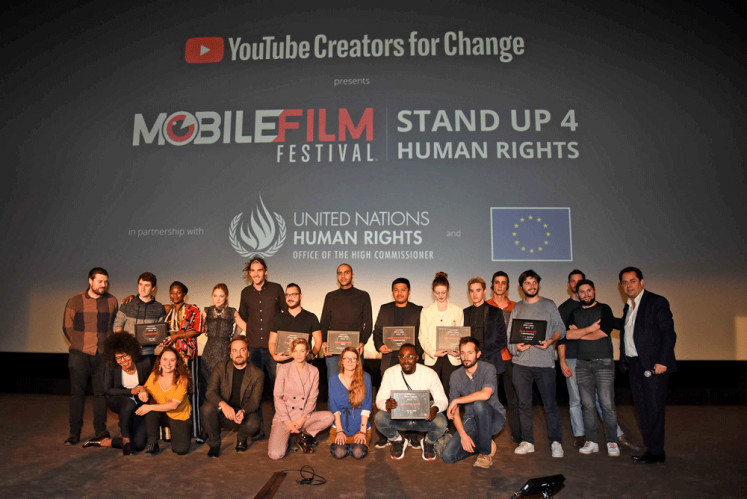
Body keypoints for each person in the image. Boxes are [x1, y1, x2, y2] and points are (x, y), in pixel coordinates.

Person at [618, 267, 676, 464]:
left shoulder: (656, 302)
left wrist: (662, 361)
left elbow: (669, 334)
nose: (628, 285)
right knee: (642, 409)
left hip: (654, 366)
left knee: (654, 408)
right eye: (625, 282)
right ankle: (651, 449)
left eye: (632, 281)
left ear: (642, 282)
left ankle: (657, 452)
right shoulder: (628, 306)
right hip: (634, 365)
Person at [508, 269, 566, 458]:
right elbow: (510, 339)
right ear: (521, 286)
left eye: (534, 283)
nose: (531, 286)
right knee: (524, 405)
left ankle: (556, 442)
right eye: (527, 283)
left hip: (544, 364)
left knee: (549, 405)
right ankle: (528, 441)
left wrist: (551, 340)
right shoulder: (517, 307)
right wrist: (517, 347)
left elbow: (560, 328)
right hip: (521, 365)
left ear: (538, 284)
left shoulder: (549, 305)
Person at [62, 267, 118, 445]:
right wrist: (79, 343)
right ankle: (74, 433)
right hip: (80, 354)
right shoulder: (75, 300)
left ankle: (100, 430)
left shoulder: (112, 301)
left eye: (106, 282)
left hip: (102, 354)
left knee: (101, 394)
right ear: (90, 281)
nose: (104, 285)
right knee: (77, 394)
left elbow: (114, 326)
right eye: (100, 281)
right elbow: (67, 326)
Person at [565, 279, 621, 457]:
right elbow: (568, 334)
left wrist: (579, 333)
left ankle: (612, 441)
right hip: (582, 364)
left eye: (589, 291)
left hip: (603, 362)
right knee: (587, 405)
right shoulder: (574, 313)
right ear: (577, 293)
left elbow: (603, 332)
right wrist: (589, 329)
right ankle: (592, 441)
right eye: (582, 292)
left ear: (594, 291)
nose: (586, 294)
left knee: (607, 404)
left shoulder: (604, 309)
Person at [371, 277, 423, 449]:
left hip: (411, 362)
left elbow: (422, 336)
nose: (399, 292)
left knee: (412, 397)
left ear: (409, 291)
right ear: (392, 292)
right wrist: (380, 345)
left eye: (403, 289)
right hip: (389, 359)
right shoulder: (385, 309)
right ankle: (387, 435)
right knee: (387, 398)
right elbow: (377, 331)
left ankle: (413, 435)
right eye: (396, 289)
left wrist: (417, 355)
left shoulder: (418, 310)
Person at [237, 256, 285, 439]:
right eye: (253, 271)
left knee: (277, 391)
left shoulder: (276, 289)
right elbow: (242, 319)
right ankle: (257, 429)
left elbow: (285, 314)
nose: (256, 274)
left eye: (259, 270)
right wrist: (236, 343)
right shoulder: (245, 292)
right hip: (254, 348)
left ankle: (279, 428)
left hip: (274, 348)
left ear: (265, 271)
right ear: (249, 273)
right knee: (254, 391)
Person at [374, 344, 448, 461]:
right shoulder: (390, 373)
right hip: (399, 417)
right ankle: (398, 441)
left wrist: (435, 408)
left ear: (417, 358)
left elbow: (442, 399)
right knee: (379, 418)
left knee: (441, 422)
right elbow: (379, 400)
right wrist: (386, 405)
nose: (406, 360)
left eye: (410, 356)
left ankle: (428, 442)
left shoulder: (429, 373)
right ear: (398, 358)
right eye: (402, 356)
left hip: (423, 418)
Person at [443, 337, 506, 468]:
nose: (466, 357)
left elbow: (485, 394)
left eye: (470, 352)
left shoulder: (488, 369)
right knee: (448, 456)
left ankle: (485, 452)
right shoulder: (455, 376)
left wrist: (457, 400)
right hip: (470, 420)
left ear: (478, 354)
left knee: (479, 405)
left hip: (494, 418)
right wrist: (463, 435)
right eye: (462, 353)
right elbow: (454, 411)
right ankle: (484, 442)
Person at [83, 332, 150, 454]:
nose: (123, 361)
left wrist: (144, 389)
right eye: (118, 358)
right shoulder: (112, 367)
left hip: (139, 404)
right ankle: (125, 438)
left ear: (132, 353)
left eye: (125, 356)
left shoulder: (144, 363)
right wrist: (131, 391)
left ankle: (104, 442)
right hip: (118, 399)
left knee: (139, 445)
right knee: (128, 404)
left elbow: (151, 384)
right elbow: (107, 389)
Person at [268, 338, 334, 459]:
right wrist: (288, 422)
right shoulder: (283, 369)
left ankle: (303, 435)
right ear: (291, 352)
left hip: (303, 416)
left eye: (302, 351)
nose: (299, 354)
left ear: (307, 352)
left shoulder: (314, 371)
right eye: (296, 351)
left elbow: (312, 398)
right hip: (285, 417)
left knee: (329, 417)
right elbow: (278, 397)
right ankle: (287, 437)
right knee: (275, 455)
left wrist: (301, 420)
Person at [200, 337, 264, 457]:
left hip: (242, 413)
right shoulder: (220, 367)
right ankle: (214, 444)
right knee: (206, 409)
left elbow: (255, 402)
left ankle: (241, 438)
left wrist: (243, 411)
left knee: (254, 424)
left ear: (248, 353)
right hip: (222, 411)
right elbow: (210, 392)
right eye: (234, 350)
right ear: (230, 354)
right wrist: (223, 405)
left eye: (242, 350)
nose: (238, 354)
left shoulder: (257, 374)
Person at [163, 281, 203, 440]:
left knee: (191, 391)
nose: (175, 295)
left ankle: (196, 431)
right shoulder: (167, 309)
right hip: (169, 357)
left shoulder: (193, 309)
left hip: (188, 354)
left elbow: (196, 330)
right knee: (170, 391)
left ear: (184, 294)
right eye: (172, 292)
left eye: (178, 292)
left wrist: (177, 336)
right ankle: (169, 433)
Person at [136, 346, 193, 455]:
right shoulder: (154, 375)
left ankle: (178, 433)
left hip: (179, 416)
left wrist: (149, 406)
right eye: (165, 359)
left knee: (181, 449)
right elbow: (145, 387)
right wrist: (143, 390)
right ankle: (152, 443)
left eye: (172, 360)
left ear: (177, 363)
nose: (168, 363)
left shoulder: (182, 380)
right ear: (160, 362)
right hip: (162, 413)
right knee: (150, 412)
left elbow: (173, 405)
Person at [486, 270, 521, 444]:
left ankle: (517, 435)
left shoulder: (516, 306)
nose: (500, 285)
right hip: (491, 359)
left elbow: (521, 331)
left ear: (507, 286)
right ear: (492, 285)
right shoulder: (485, 306)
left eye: (503, 282)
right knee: (490, 398)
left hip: (510, 359)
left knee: (512, 399)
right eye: (497, 282)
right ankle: (489, 434)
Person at [320, 264, 373, 378]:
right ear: (337, 276)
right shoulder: (330, 296)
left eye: (346, 272)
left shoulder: (363, 296)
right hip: (333, 352)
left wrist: (362, 341)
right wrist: (324, 341)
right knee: (335, 386)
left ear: (352, 275)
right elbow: (324, 322)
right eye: (340, 273)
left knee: (355, 387)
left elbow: (368, 323)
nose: (343, 276)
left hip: (355, 350)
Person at [418, 272, 464, 398]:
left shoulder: (458, 310)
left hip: (452, 358)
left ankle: (449, 418)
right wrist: (433, 352)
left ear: (447, 291)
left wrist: (457, 350)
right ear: (433, 292)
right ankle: (433, 417)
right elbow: (422, 337)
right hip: (433, 358)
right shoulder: (426, 311)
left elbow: (461, 336)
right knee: (431, 394)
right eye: (437, 293)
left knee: (450, 393)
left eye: (443, 292)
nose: (440, 296)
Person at [556, 269, 586, 447]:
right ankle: (579, 434)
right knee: (575, 399)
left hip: (592, 358)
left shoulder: (593, 305)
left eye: (579, 281)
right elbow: (561, 337)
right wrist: (562, 361)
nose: (576, 284)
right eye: (573, 281)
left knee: (598, 399)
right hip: (572, 358)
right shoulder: (564, 308)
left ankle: (614, 434)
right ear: (569, 285)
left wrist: (579, 332)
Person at [328, 347, 372, 459]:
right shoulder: (333, 379)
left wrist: (362, 432)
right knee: (339, 453)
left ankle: (353, 444)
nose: (349, 361)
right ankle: (346, 444)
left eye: (353, 358)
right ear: (341, 361)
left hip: (360, 426)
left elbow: (366, 406)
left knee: (358, 453)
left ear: (358, 362)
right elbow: (334, 407)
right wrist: (339, 430)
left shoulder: (365, 378)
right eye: (346, 358)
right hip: (340, 425)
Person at [113, 272, 166, 358]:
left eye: (147, 285)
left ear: (153, 288)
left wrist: (160, 340)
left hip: (149, 353)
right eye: (140, 284)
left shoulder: (159, 308)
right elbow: (117, 327)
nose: (142, 288)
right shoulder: (127, 304)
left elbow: (159, 332)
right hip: (127, 352)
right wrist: (130, 342)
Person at [463, 276, 507, 376]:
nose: (474, 294)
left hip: (491, 361)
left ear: (485, 291)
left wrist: (482, 352)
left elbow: (502, 340)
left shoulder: (496, 312)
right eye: (472, 291)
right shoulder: (464, 312)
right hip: (470, 364)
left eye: (478, 290)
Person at [269, 283, 322, 363]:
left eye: (293, 294)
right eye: (287, 295)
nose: (290, 298)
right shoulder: (278, 318)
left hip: (305, 364)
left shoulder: (311, 317)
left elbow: (318, 341)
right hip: (283, 364)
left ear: (300, 296)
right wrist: (274, 356)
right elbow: (272, 341)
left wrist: (312, 355)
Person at [201, 283, 237, 395]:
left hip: (224, 350)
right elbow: (198, 328)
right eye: (215, 295)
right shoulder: (206, 311)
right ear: (212, 295)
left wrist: (235, 337)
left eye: (221, 296)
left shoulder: (232, 311)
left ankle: (224, 409)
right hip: (209, 351)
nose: (218, 299)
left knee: (224, 381)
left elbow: (244, 326)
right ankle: (210, 409)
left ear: (226, 296)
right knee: (208, 381)